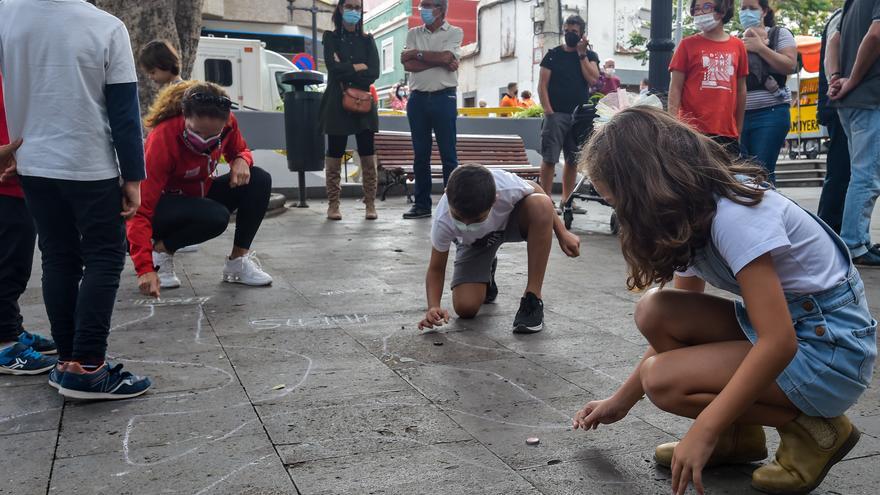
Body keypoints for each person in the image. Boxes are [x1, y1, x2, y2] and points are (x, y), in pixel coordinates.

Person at [574, 106, 875, 495]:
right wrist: (620, 401)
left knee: (662, 382)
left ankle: (815, 432)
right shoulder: (687, 214)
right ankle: (739, 439)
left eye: (616, 201)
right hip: (797, 329)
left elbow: (778, 342)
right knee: (657, 311)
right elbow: (679, 332)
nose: (618, 213)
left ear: (643, 188)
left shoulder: (735, 216)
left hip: (831, 351)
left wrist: (704, 428)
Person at [0, 0, 152, 399]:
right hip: (90, 164)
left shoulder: (6, 13)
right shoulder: (106, 26)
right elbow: (123, 111)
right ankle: (88, 367)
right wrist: (133, 177)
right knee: (103, 255)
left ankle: (67, 362)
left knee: (58, 257)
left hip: (32, 162)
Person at [130, 81, 273, 296]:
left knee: (259, 179)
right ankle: (160, 251)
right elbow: (140, 210)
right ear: (184, 116)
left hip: (198, 196)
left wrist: (241, 159)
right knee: (215, 216)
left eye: (212, 135)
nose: (204, 140)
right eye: (196, 132)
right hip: (162, 209)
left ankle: (238, 261)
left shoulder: (228, 124)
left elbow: (240, 149)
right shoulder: (163, 137)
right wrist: (144, 268)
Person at [417, 165, 580, 334]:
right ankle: (487, 274)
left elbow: (537, 188)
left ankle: (532, 297)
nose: (467, 225)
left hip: (511, 224)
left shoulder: (506, 186)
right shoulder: (443, 219)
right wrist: (433, 306)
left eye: (477, 220)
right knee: (465, 308)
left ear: (495, 199)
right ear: (447, 194)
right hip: (475, 245)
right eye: (458, 218)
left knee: (541, 203)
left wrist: (562, 232)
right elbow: (436, 267)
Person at [0, 74, 57, 375]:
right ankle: (5, 345)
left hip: (23, 184)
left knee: (17, 266)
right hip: (5, 189)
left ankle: (12, 328)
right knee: (7, 268)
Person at [827, 0, 880, 266]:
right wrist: (853, 80)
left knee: (861, 174)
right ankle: (855, 243)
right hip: (869, 96)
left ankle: (858, 239)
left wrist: (837, 77)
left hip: (851, 102)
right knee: (867, 176)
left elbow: (834, 39)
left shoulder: (851, 3)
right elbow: (876, 35)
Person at [400, 0, 463, 220]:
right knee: (420, 155)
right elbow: (406, 64)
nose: (423, 9)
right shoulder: (412, 33)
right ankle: (422, 205)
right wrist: (439, 59)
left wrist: (417, 54)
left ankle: (453, 206)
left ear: (441, 9)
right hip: (417, 99)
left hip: (444, 98)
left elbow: (450, 58)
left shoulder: (455, 32)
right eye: (422, 5)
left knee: (449, 155)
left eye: (428, 5)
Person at [319, 0, 380, 221]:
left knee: (367, 151)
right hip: (337, 101)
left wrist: (346, 67)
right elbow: (332, 70)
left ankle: (370, 204)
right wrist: (357, 66)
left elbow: (374, 72)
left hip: (363, 102)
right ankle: (333, 205)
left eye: (357, 7)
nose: (353, 11)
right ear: (340, 9)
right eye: (349, 6)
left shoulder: (367, 40)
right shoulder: (330, 38)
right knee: (335, 152)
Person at [537, 14, 600, 215]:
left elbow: (593, 79)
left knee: (573, 160)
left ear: (582, 34)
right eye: (567, 30)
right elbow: (542, 85)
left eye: (574, 31)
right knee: (549, 158)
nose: (569, 34)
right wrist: (549, 111)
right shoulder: (553, 55)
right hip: (555, 115)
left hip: (578, 117)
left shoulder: (590, 55)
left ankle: (567, 200)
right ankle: (545, 201)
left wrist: (582, 54)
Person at [669, 0, 748, 155]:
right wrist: (673, 125)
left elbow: (741, 90)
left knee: (724, 178)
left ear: (723, 10)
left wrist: (738, 129)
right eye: (696, 8)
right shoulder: (687, 45)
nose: (699, 12)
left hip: (727, 133)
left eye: (706, 7)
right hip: (691, 132)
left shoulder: (738, 46)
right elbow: (675, 87)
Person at [738, 0, 798, 183]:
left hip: (770, 113)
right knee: (742, 176)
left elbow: (789, 65)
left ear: (763, 11)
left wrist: (760, 48)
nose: (747, 13)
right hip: (740, 116)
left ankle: (768, 210)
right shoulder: (735, 40)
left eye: (752, 8)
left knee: (762, 173)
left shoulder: (779, 33)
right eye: (743, 9)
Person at [817, 9, 851, 234]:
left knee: (846, 173)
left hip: (841, 101)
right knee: (841, 172)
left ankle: (844, 230)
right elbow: (833, 53)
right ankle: (829, 231)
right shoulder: (843, 16)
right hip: (841, 103)